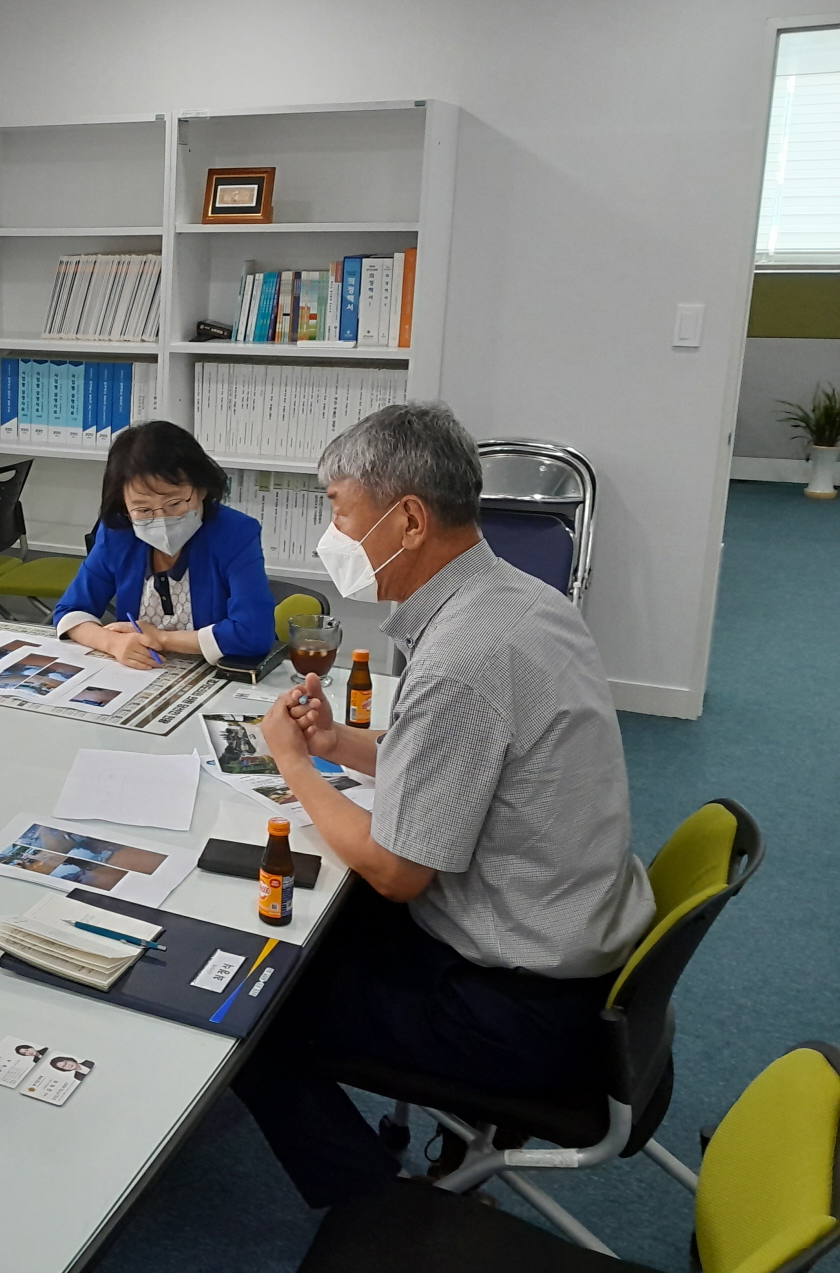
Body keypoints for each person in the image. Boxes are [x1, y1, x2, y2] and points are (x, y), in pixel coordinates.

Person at [233, 402, 655, 1209]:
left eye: (338, 510)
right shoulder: (518, 599)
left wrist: (292, 765)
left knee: (257, 1009)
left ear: (410, 519)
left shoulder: (465, 654)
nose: (332, 534)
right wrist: (341, 746)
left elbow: (396, 872)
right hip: (570, 947)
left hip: (516, 1008)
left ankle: (386, 1212)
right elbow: (470, 767)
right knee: (314, 927)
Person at [52, 421, 274, 667]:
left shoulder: (235, 533)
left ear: (201, 489)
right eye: (143, 509)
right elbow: (70, 612)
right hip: (142, 675)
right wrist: (112, 643)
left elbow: (254, 633)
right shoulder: (118, 532)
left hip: (216, 675)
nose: (161, 519)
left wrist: (162, 639)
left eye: (175, 504)